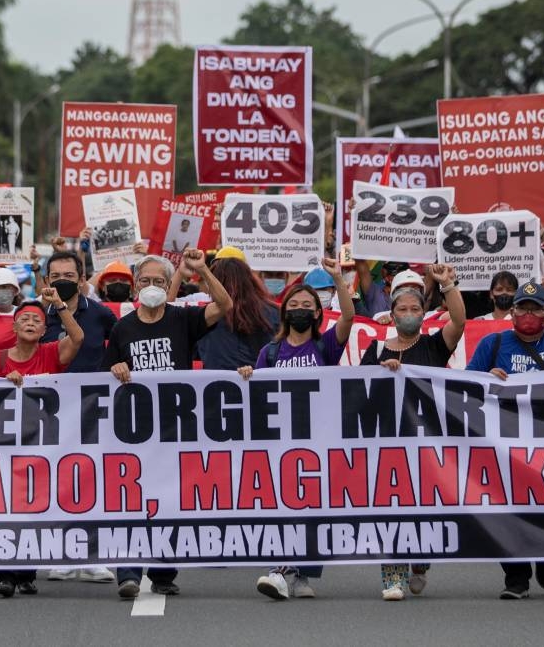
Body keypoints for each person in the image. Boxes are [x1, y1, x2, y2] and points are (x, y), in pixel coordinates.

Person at [103, 250, 232, 598]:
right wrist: (116, 370)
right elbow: (106, 376)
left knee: (171, 501)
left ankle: (163, 571)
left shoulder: (182, 319)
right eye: (145, 281)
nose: (152, 286)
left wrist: (202, 270)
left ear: (168, 285)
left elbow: (224, 305)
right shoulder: (122, 328)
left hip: (176, 428)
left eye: (159, 281)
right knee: (131, 500)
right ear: (135, 286)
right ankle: (128, 572)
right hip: (134, 430)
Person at [466, 252, 544, 600]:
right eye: (520, 308)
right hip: (503, 442)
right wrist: (485, 377)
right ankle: (516, 579)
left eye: (534, 308)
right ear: (511, 313)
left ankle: (543, 552)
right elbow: (463, 387)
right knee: (506, 508)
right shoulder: (491, 344)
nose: (526, 314)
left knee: (542, 502)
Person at [237, 257, 353, 600]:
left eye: (308, 305)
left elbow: (347, 317)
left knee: (314, 507)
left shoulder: (325, 345)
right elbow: (257, 397)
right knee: (286, 505)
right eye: (294, 304)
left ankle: (295, 573)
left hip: (319, 438)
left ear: (317, 313)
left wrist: (337, 279)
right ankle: (286, 569)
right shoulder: (270, 352)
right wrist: (248, 377)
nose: (301, 309)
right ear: (284, 311)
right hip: (281, 440)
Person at [359, 264, 466, 601]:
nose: (408, 313)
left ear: (424, 313)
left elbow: (460, 321)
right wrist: (382, 373)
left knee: (426, 511)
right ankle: (393, 576)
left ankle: (420, 563)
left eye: (415, 308)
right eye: (402, 309)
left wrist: (447, 283)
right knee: (392, 510)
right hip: (388, 444)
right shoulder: (375, 351)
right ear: (391, 315)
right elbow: (359, 394)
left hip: (430, 445)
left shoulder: (435, 347)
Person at [0, 292, 85, 597]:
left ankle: (27, 573)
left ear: (44, 331)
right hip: (6, 447)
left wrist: (60, 307)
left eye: (37, 320)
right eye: (24, 319)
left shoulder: (53, 353)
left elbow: (78, 337)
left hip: (44, 449)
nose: (30, 323)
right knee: (4, 510)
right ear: (14, 327)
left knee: (35, 510)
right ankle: (5, 574)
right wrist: (4, 385)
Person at [39, 251, 118, 583]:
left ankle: (92, 554)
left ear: (82, 278)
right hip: (46, 411)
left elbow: (120, 348)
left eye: (69, 275)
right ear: (46, 280)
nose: (62, 281)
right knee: (54, 481)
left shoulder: (101, 315)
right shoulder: (34, 315)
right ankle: (60, 552)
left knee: (92, 480)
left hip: (93, 408)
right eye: (55, 275)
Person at [198, 246, 279, 371]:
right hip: (263, 386)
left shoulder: (205, 316)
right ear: (249, 277)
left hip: (217, 387)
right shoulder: (273, 312)